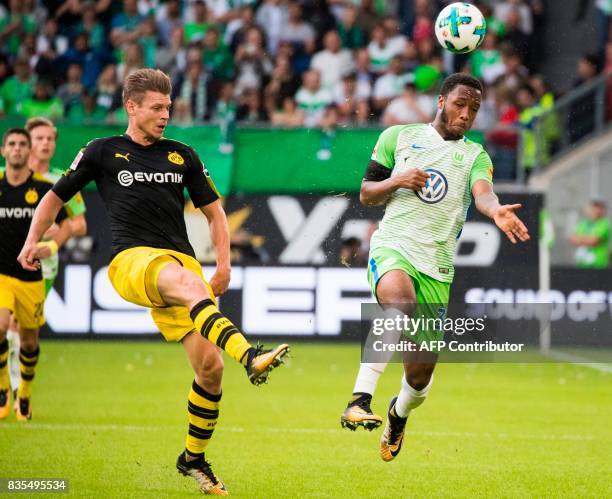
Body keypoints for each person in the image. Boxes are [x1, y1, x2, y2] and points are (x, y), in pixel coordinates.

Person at [18, 68, 289, 494]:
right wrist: (32, 241)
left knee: (209, 369)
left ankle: (193, 458)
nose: (166, 115)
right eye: (157, 107)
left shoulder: (182, 154)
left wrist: (223, 266)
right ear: (132, 107)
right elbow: (54, 198)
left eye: (168, 107)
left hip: (180, 265)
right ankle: (250, 355)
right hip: (132, 261)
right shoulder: (102, 151)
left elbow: (216, 214)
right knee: (190, 289)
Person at [339, 74, 530, 462]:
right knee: (399, 304)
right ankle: (359, 398)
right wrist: (398, 179)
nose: (466, 114)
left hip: (437, 270)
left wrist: (495, 211)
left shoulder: (476, 156)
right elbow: (366, 193)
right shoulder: (397, 137)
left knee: (419, 380)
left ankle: (398, 413)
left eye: (474, 109)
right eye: (460, 104)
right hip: (393, 247)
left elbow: (484, 193)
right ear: (441, 101)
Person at [2, 117, 89, 401]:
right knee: (7, 323)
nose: (45, 144)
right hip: (6, 261)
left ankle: (18, 385)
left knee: (23, 329)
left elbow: (81, 225)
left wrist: (57, 230)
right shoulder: (7, 177)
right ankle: (12, 385)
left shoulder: (61, 179)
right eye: (39, 139)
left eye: (50, 139)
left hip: (43, 265)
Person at [570, 199, 610, 269]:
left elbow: (594, 241)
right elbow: (573, 238)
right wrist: (587, 239)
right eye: (594, 207)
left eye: (599, 208)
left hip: (598, 265)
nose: (595, 211)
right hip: (582, 264)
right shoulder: (584, 223)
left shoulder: (604, 224)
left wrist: (581, 239)